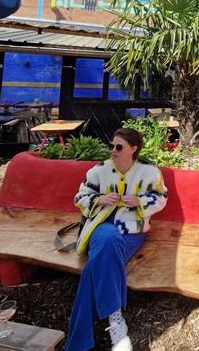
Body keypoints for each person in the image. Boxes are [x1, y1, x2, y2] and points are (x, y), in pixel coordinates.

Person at [66, 128, 168, 351]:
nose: (113, 150)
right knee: (109, 236)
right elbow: (79, 197)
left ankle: (77, 345)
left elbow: (161, 199)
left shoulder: (149, 172)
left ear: (133, 149)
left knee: (91, 272)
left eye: (119, 147)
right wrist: (100, 199)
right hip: (100, 227)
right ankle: (116, 321)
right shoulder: (99, 171)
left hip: (132, 231)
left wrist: (139, 202)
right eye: (111, 146)